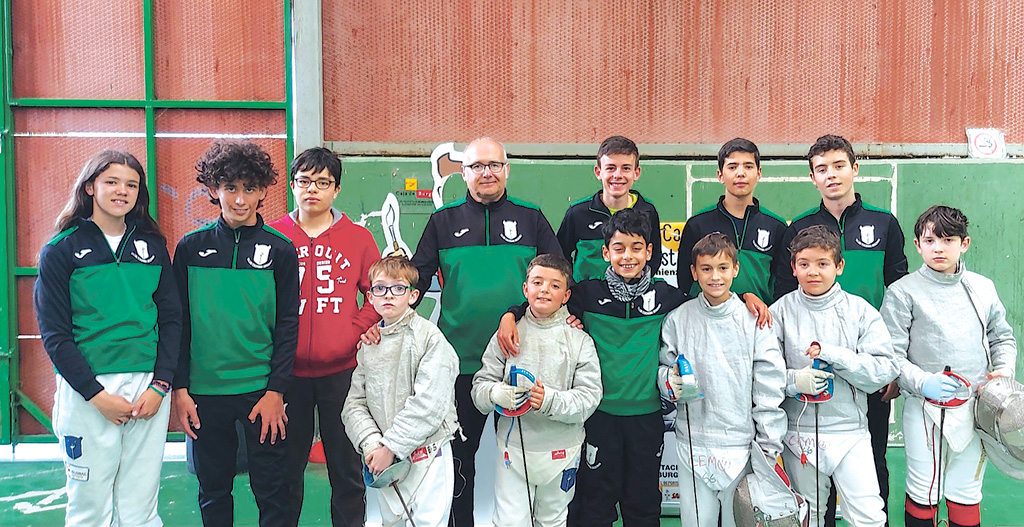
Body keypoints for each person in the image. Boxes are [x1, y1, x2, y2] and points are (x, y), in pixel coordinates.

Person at [402, 137, 561, 526]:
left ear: (507, 169)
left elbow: (556, 277)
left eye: (493, 165)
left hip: (524, 364)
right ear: (464, 172)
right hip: (460, 365)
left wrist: (516, 311)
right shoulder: (443, 221)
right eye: (476, 166)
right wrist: (384, 324)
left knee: (528, 464)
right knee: (460, 465)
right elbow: (416, 282)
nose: (485, 172)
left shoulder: (531, 217)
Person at [34, 150, 181, 527]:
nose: (122, 191)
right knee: (89, 508)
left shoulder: (152, 246)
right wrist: (96, 396)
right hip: (88, 392)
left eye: (131, 184)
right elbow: (55, 336)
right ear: (90, 187)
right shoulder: (60, 250)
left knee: (140, 506)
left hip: (148, 390)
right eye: (112, 182)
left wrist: (160, 385)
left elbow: (171, 318)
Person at [773, 135, 908, 525]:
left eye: (838, 165)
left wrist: (893, 366)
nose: (831, 175)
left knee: (872, 464)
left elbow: (899, 299)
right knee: (811, 499)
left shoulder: (884, 224)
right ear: (812, 177)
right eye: (822, 169)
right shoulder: (797, 228)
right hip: (804, 394)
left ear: (854, 168)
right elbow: (783, 297)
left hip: (866, 370)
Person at [171, 140, 299, 526]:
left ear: (263, 191)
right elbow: (180, 325)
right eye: (230, 188)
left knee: (272, 491)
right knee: (213, 491)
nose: (239, 200)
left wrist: (276, 390)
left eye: (249, 189)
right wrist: (180, 390)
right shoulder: (190, 249)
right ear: (214, 190)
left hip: (260, 394)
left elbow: (287, 324)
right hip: (204, 395)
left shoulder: (281, 250)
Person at [880, 205, 1017, 527]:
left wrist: (1005, 371)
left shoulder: (982, 287)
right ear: (917, 245)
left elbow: (1003, 338)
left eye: (947, 240)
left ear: (964, 243)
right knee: (923, 489)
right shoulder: (903, 293)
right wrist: (923, 381)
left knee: (966, 491)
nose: (938, 248)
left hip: (976, 408)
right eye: (929, 241)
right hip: (924, 408)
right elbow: (891, 355)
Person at [268, 147, 380, 527]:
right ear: (291, 186)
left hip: (343, 373)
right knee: (284, 473)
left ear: (336, 189)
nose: (311, 190)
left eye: (322, 182)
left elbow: (378, 292)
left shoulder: (359, 238)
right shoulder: (273, 236)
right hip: (285, 375)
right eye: (303, 181)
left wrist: (354, 329)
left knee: (347, 472)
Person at [770, 225, 898, 527]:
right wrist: (792, 381)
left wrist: (835, 355)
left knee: (868, 517)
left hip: (849, 433)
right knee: (806, 518)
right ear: (793, 268)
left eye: (822, 264)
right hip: (797, 437)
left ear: (839, 266)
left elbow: (882, 371)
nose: (813, 272)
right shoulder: (779, 313)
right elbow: (761, 374)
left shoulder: (861, 312)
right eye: (804, 264)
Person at [657, 232, 787, 527]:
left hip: (740, 447)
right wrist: (669, 381)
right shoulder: (678, 319)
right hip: (692, 444)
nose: (715, 277)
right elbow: (663, 369)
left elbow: (769, 386)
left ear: (736, 269)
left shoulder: (755, 321)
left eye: (723, 268)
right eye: (706, 269)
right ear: (693, 272)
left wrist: (768, 445)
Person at [471, 253, 602, 527]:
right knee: (509, 522)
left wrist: (551, 400)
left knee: (552, 521)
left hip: (562, 452)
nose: (544, 289)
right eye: (538, 282)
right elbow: (480, 386)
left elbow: (590, 396)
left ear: (566, 296)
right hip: (513, 452)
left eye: (554, 285)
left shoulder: (579, 340)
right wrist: (495, 393)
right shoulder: (507, 334)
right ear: (525, 289)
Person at [342, 256, 459, 527]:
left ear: (413, 295)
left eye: (398, 288)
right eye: (380, 288)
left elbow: (429, 404)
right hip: (387, 460)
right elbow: (354, 405)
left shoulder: (430, 338)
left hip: (428, 455)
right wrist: (373, 445)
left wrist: (391, 447)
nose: (389, 295)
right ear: (369, 296)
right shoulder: (370, 344)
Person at [676, 138, 787, 303]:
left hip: (759, 322)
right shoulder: (697, 224)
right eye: (733, 167)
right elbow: (685, 282)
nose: (740, 173)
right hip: (708, 320)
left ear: (759, 173)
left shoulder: (776, 226)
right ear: (720, 175)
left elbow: (782, 283)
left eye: (748, 166)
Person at [557, 135, 661, 282]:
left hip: (631, 300)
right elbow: (560, 257)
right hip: (587, 301)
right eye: (611, 168)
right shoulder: (577, 214)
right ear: (598, 172)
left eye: (625, 168)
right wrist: (578, 290)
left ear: (636, 173)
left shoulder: (647, 212)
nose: (618, 175)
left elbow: (654, 259)